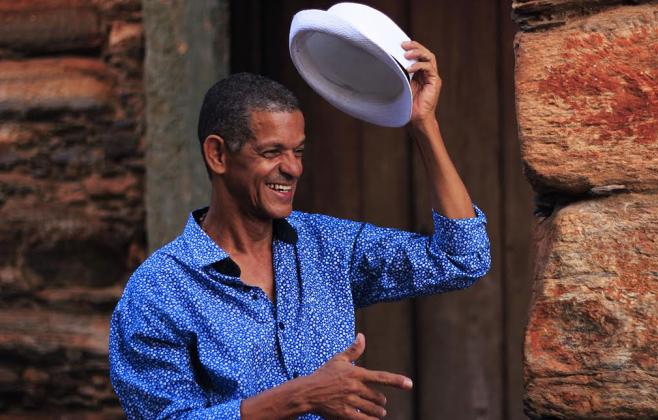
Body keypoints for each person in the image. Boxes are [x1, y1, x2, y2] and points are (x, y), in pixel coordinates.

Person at [110, 41, 490, 419]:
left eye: (299, 151)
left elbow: (461, 258)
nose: (293, 168)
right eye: (272, 152)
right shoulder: (160, 291)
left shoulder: (328, 246)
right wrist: (301, 397)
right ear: (218, 155)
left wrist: (424, 124)